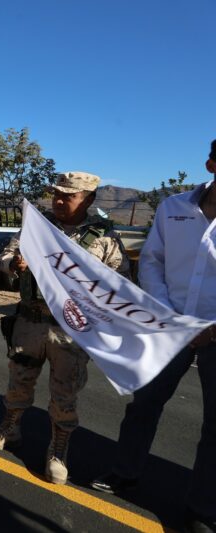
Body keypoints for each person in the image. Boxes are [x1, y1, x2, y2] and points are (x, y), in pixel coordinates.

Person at [90, 141, 216, 532]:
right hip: (168, 327)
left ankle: (202, 508)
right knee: (144, 404)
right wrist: (168, 315)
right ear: (211, 164)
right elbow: (152, 260)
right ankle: (124, 472)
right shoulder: (173, 207)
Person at [0, 171, 128, 485]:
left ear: (89, 199)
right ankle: (10, 428)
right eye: (56, 195)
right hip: (30, 321)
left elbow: (120, 281)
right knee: (19, 379)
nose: (59, 201)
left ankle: (58, 449)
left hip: (71, 330)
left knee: (65, 392)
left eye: (68, 196)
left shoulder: (104, 237)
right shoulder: (38, 226)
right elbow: (6, 256)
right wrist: (14, 263)